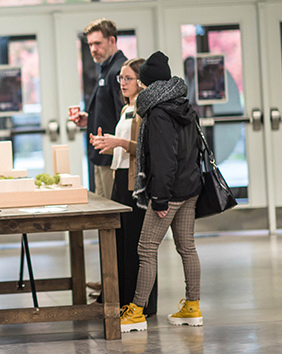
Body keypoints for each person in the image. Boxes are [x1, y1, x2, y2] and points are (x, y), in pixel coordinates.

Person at [118, 51, 203, 333]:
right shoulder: (183, 105)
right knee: (187, 247)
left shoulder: (157, 113)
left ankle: (137, 312)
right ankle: (192, 307)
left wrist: (160, 197)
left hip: (171, 192)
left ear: (146, 83)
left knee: (146, 248)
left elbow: (165, 159)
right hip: (191, 187)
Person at [91, 58, 158, 316]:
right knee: (121, 242)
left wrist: (119, 142)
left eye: (128, 78)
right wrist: (105, 142)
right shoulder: (125, 109)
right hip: (120, 178)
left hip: (135, 183)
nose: (122, 83)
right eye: (120, 78)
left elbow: (145, 148)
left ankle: (141, 304)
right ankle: (123, 299)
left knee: (136, 244)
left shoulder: (145, 109)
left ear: (141, 81)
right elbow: (122, 145)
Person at [69, 18, 127, 200]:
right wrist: (90, 119)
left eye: (97, 43)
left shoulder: (120, 71)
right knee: (103, 210)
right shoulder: (106, 68)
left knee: (112, 211)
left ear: (112, 40)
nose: (93, 49)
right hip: (101, 155)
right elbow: (109, 110)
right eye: (90, 44)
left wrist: (118, 158)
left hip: (112, 158)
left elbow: (125, 116)